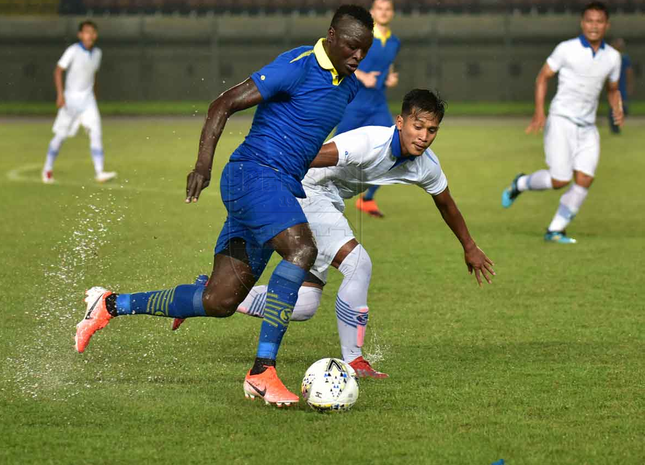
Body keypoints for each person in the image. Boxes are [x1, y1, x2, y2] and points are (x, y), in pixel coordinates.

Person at [74, 5, 375, 408]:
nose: (357, 56)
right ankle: (261, 373)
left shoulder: (349, 84)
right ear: (332, 36)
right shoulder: (298, 65)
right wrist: (202, 165)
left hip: (277, 189)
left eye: (364, 50)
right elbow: (223, 104)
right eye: (352, 47)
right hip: (254, 176)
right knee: (302, 249)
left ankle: (109, 304)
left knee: (219, 301)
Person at [233, 89, 494, 378]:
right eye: (417, 126)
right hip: (307, 190)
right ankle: (355, 361)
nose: (423, 136)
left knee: (305, 305)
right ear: (400, 122)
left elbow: (446, 204)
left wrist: (469, 246)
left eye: (432, 130)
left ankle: (224, 295)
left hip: (329, 201)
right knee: (358, 263)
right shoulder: (367, 143)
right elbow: (306, 159)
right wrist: (262, 186)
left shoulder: (426, 165)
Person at [501, 2, 623, 244]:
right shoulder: (566, 49)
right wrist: (539, 112)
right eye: (590, 20)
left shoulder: (613, 57)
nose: (594, 25)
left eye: (599, 21)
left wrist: (616, 106)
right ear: (582, 22)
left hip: (588, 127)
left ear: (607, 25)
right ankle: (521, 183)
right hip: (561, 120)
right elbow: (542, 77)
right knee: (560, 180)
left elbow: (612, 89)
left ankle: (555, 229)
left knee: (585, 179)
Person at [337, 0, 401, 218]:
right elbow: (340, 60)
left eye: (387, 9)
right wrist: (362, 75)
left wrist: (389, 78)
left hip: (377, 104)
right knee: (333, 150)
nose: (383, 12)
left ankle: (367, 198)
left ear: (392, 13)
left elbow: (387, 66)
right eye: (379, 9)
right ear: (372, 12)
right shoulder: (361, 36)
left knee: (396, 149)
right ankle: (307, 190)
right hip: (354, 102)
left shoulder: (394, 42)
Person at [42, 20, 116, 184]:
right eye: (86, 32)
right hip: (71, 101)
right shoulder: (73, 51)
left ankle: (99, 172)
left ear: (95, 35)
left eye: (92, 32)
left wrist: (95, 94)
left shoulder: (97, 53)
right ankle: (47, 169)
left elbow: (93, 75)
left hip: (88, 101)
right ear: (80, 35)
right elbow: (58, 71)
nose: (90, 35)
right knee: (60, 136)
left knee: (96, 133)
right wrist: (60, 95)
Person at [608, 38, 634, 135]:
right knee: (613, 106)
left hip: (621, 85)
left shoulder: (624, 58)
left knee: (621, 106)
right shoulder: (611, 57)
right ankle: (614, 128)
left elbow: (629, 72)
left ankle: (616, 125)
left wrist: (629, 85)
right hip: (613, 86)